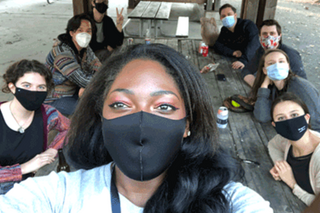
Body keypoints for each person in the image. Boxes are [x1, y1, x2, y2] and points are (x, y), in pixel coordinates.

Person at [0, 44, 273, 212]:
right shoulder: (58, 195)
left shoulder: (230, 200)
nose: (141, 122)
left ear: (188, 124)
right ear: (101, 117)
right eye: (121, 105)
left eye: (163, 107)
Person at [0, 60, 70, 195]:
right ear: (12, 87)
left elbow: (70, 129)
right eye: (27, 85)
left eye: (41, 87)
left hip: (33, 185)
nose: (34, 92)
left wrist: (53, 150)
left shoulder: (48, 114)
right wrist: (24, 168)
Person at [268, 92, 320, 206]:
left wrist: (292, 183)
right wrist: (280, 164)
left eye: (294, 115)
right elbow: (272, 145)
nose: (289, 122)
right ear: (274, 125)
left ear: (306, 118)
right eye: (281, 118)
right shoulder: (285, 140)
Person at [45, 13, 101, 116]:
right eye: (80, 30)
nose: (85, 34)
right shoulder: (61, 53)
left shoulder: (85, 49)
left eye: (88, 31)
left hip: (73, 91)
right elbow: (83, 80)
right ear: (71, 33)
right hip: (55, 98)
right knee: (90, 113)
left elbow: (98, 67)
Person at [250, 49, 320, 131]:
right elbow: (262, 116)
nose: (277, 66)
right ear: (265, 70)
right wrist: (264, 86)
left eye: (281, 62)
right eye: (271, 63)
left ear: (288, 66)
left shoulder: (300, 87)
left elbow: (316, 122)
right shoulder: (272, 88)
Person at [242, 19, 307, 87]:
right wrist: (256, 85)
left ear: (279, 36)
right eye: (264, 34)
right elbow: (247, 70)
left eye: (272, 33)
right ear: (259, 36)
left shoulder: (290, 54)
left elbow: (302, 83)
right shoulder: (262, 50)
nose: (268, 37)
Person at [213, 4, 260, 70]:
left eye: (229, 14)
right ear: (221, 18)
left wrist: (243, 60)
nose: (226, 17)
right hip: (233, 60)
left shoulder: (248, 26)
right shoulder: (224, 29)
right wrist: (232, 52)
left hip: (252, 60)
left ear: (235, 15)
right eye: (223, 16)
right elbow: (217, 45)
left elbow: (254, 44)